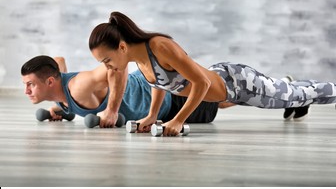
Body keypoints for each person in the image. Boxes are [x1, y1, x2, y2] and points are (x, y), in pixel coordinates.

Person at [88, 11, 336, 136]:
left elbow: (200, 82)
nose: (107, 67)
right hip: (227, 91)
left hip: (237, 83)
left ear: (122, 46)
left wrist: (178, 120)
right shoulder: (140, 61)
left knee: (297, 95)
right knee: (290, 92)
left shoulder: (159, 46)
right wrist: (152, 117)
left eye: (106, 59)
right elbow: (161, 85)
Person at [21, 55, 220, 128]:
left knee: (221, 100)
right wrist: (61, 107)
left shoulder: (79, 86)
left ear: (49, 81)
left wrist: (112, 110)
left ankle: (242, 87)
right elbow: (59, 60)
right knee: (218, 92)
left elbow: (119, 65)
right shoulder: (61, 90)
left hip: (167, 98)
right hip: (154, 95)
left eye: (30, 85)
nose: (26, 91)